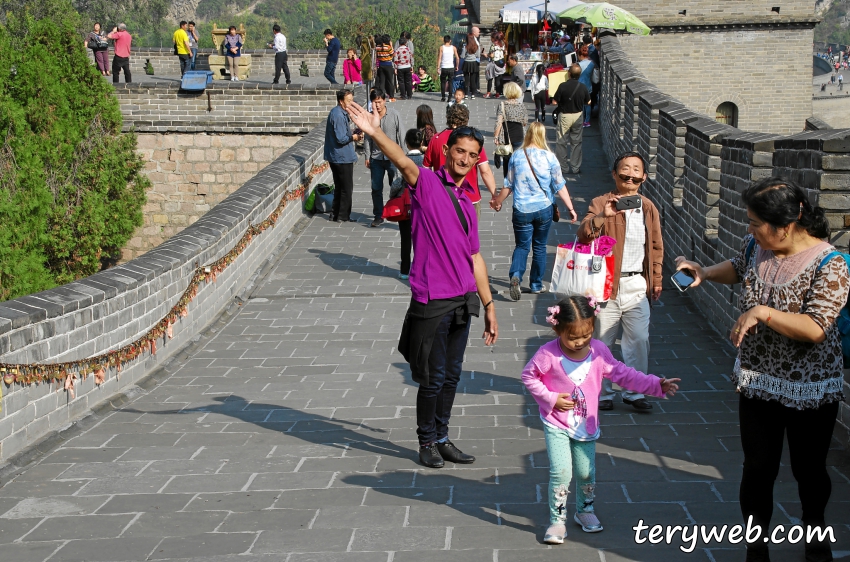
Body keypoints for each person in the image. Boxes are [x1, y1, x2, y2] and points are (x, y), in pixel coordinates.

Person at [674, 177, 848, 562]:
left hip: (810, 386)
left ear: (785, 226)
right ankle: (756, 547)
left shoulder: (830, 264)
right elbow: (738, 267)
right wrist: (704, 271)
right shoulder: (759, 245)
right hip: (758, 377)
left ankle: (816, 539)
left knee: (809, 471)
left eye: (755, 222)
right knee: (757, 467)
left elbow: (816, 329)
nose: (749, 229)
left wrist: (763, 312)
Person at [345, 102, 499, 470]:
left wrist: (489, 306)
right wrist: (375, 132)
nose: (464, 158)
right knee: (432, 378)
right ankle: (426, 440)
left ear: (478, 160)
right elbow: (404, 162)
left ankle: (443, 437)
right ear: (446, 151)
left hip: (463, 299)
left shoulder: (467, 202)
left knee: (453, 375)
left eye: (472, 155)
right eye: (459, 151)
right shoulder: (428, 183)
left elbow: (475, 257)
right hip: (433, 299)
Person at [522, 296, 680, 544]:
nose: (580, 342)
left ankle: (585, 511)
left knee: (586, 472)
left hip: (586, 423)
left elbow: (623, 374)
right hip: (557, 422)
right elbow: (529, 377)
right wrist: (551, 399)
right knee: (561, 471)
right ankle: (557, 519)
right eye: (572, 337)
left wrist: (655, 384)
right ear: (557, 329)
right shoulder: (547, 354)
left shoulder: (598, 352)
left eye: (586, 335)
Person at [577, 152, 663, 412]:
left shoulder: (648, 207)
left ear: (643, 177)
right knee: (603, 341)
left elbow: (656, 245)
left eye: (636, 171)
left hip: (636, 283)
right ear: (614, 175)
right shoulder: (601, 201)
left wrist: (656, 279)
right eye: (624, 170)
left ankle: (634, 392)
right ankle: (602, 393)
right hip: (606, 285)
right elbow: (583, 235)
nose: (630, 175)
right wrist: (603, 215)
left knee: (638, 339)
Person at [492, 122, 578, 298]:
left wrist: (497, 201)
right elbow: (559, 185)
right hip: (543, 208)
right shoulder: (550, 157)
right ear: (542, 135)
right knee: (539, 247)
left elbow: (508, 185)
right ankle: (536, 284)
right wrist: (570, 208)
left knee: (522, 246)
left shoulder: (517, 156)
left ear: (528, 134)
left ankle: (516, 276)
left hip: (521, 209)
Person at [424, 104, 497, 218]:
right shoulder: (472, 141)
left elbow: (426, 171)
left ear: (448, 118)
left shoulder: (436, 139)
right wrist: (494, 194)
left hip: (442, 197)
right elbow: (485, 171)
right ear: (466, 120)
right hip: (469, 197)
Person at [365, 89, 404, 228]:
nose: (377, 105)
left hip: (392, 157)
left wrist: (403, 154)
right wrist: (367, 155)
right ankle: (378, 215)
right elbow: (367, 138)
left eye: (379, 102)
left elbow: (401, 134)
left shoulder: (394, 115)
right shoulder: (370, 117)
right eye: (374, 102)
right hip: (376, 157)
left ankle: (396, 211)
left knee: (396, 186)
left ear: (384, 101)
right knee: (376, 188)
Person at [389, 128, 424, 280]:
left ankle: (404, 270)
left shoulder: (402, 161)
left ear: (406, 144)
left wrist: (392, 196)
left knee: (405, 238)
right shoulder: (426, 161)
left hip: (406, 205)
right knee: (422, 239)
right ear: (421, 142)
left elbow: (396, 183)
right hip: (423, 204)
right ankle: (421, 269)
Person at [324, 90, 363, 223]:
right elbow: (341, 138)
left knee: (340, 186)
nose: (351, 103)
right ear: (341, 101)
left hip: (337, 156)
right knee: (346, 187)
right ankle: (342, 215)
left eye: (352, 100)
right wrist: (354, 137)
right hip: (341, 156)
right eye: (349, 101)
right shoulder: (339, 115)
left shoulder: (338, 112)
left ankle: (336, 214)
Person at [552, 64, 590, 175]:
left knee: (561, 142)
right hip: (578, 115)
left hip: (565, 116)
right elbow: (588, 101)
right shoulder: (582, 87)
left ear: (569, 74)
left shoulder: (563, 86)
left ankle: (563, 167)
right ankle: (575, 167)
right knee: (576, 142)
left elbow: (555, 101)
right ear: (579, 74)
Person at [493, 82, 529, 181]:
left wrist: (496, 137)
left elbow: (499, 122)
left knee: (507, 161)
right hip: (519, 135)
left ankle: (507, 182)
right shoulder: (521, 106)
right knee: (518, 161)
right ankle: (517, 181)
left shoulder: (502, 105)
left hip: (506, 136)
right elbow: (525, 122)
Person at [437, 35, 459, 103]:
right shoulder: (453, 48)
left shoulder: (441, 48)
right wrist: (457, 66)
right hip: (451, 67)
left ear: (444, 40)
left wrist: (438, 67)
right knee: (451, 82)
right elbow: (457, 58)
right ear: (450, 41)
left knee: (443, 82)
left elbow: (439, 58)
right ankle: (449, 97)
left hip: (444, 67)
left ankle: (443, 97)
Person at [484, 32, 507, 98]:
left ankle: (488, 93)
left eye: (491, 37)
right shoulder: (502, 44)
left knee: (490, 77)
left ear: (494, 38)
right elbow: (505, 53)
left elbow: (491, 55)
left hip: (495, 63)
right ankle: (497, 93)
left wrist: (486, 55)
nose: (491, 39)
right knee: (498, 79)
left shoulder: (493, 46)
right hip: (501, 63)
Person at [577, 45, 595, 127]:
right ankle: (587, 121)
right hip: (588, 85)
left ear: (581, 55)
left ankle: (580, 120)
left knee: (580, 104)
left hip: (579, 86)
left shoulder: (578, 65)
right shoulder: (592, 63)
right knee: (588, 104)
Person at [375, 35, 396, 101]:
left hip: (381, 65)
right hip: (388, 65)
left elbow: (377, 56)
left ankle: (381, 96)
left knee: (382, 82)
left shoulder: (377, 47)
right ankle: (391, 97)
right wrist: (391, 46)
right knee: (390, 81)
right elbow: (393, 54)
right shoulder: (388, 47)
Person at [460, 30, 480, 98]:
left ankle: (466, 94)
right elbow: (478, 55)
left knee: (466, 80)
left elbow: (462, 56)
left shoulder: (465, 46)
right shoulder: (476, 46)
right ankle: (473, 94)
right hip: (474, 63)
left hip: (466, 63)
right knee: (473, 80)